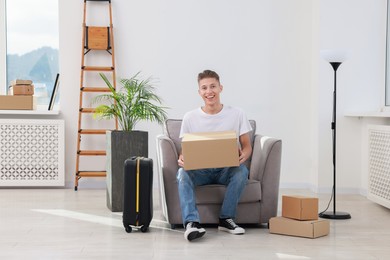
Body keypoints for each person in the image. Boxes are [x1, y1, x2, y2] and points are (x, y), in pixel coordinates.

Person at [177, 69, 253, 241]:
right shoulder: (190, 117)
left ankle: (226, 219)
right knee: (182, 173)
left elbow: (247, 146)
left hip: (225, 169)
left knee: (242, 172)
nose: (209, 91)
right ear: (199, 92)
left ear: (221, 88)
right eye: (204, 88)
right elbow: (185, 149)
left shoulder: (237, 113)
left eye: (213, 86)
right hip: (201, 171)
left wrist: (243, 157)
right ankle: (192, 224)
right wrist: (183, 158)